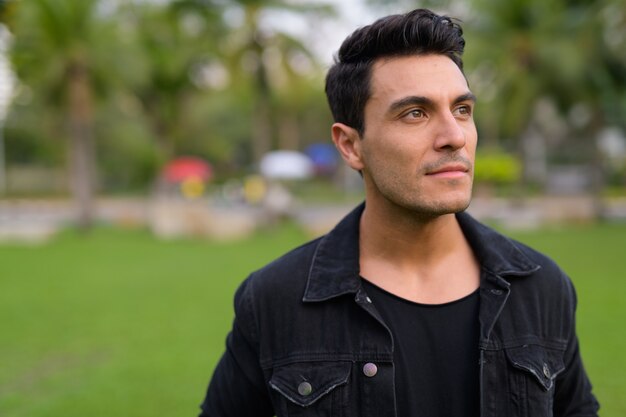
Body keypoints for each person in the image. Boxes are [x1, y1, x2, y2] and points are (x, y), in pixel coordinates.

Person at [198, 8, 599, 417]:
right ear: (351, 146)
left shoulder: (543, 289)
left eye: (462, 109)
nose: (454, 136)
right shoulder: (275, 299)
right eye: (415, 113)